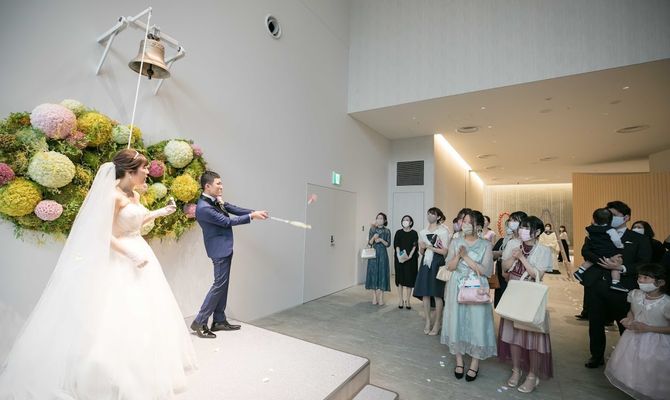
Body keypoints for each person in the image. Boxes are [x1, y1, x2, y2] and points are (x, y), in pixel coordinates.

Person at [0, 149, 197, 399]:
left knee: (145, 310)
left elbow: (133, 222)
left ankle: (142, 368)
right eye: (144, 167)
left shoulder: (135, 194)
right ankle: (104, 373)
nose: (148, 171)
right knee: (113, 312)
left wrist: (157, 213)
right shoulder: (113, 197)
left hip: (140, 252)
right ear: (129, 171)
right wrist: (130, 254)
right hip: (120, 257)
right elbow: (103, 234)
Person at [192, 171, 268, 338]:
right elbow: (226, 221)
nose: (222, 186)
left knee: (223, 285)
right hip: (218, 250)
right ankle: (199, 321)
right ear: (207, 186)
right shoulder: (204, 208)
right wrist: (251, 217)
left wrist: (254, 212)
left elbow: (232, 208)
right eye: (218, 183)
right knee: (219, 285)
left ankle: (219, 320)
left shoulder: (214, 200)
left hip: (224, 247)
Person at [581, 200, 652, 369]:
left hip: (622, 289)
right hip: (596, 285)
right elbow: (586, 251)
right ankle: (596, 356)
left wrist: (621, 268)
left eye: (614, 215)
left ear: (626, 217)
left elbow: (644, 263)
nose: (609, 217)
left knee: (625, 324)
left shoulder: (638, 239)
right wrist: (602, 261)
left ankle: (628, 358)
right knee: (595, 323)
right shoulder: (597, 232)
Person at [498, 216, 554, 394]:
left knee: (532, 337)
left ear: (537, 232)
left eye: (527, 228)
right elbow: (505, 269)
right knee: (513, 335)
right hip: (513, 292)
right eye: (522, 227)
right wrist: (513, 257)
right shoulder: (514, 244)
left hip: (531, 296)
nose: (522, 230)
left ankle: (532, 375)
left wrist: (522, 258)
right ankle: (516, 370)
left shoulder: (544, 250)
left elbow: (537, 275)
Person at [441, 210, 496, 382]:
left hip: (477, 287)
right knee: (456, 321)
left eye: (468, 222)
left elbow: (486, 271)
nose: (464, 224)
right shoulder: (455, 241)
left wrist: (466, 257)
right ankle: (459, 361)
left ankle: (474, 363)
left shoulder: (485, 245)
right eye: (463, 221)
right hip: (456, 286)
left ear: (477, 225)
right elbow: (449, 267)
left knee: (477, 323)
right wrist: (458, 255)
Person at [605, 263, 670, 400]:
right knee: (632, 366)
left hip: (657, 343)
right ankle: (634, 389)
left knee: (650, 370)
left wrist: (648, 328)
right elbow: (632, 311)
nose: (641, 280)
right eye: (639, 277)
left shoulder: (666, 303)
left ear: (660, 282)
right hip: (633, 338)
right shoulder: (635, 294)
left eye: (646, 278)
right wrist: (630, 319)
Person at [414, 207, 450, 335]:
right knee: (425, 293)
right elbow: (421, 251)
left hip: (437, 262)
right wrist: (422, 247)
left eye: (433, 214)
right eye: (428, 213)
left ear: (438, 217)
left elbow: (445, 251)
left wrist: (430, 247)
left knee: (437, 293)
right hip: (425, 263)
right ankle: (428, 321)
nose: (430, 216)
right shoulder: (423, 232)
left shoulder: (443, 232)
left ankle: (437, 322)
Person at [573, 208, 627, 292]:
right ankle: (615, 282)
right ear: (610, 220)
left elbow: (589, 238)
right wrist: (620, 246)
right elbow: (616, 240)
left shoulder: (589, 229)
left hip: (595, 250)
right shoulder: (610, 230)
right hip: (607, 251)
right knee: (614, 265)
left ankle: (580, 271)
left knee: (590, 260)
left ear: (594, 219)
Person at [493, 211, 528, 307]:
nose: (511, 223)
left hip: (522, 278)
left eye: (515, 220)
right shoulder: (507, 241)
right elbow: (503, 265)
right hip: (506, 276)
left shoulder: (527, 241)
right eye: (510, 220)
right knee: (505, 303)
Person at [365, 212, 392, 305]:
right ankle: (374, 296)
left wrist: (381, 240)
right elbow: (369, 243)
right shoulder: (372, 229)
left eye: (381, 218)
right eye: (378, 218)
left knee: (382, 273)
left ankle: (381, 297)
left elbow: (388, 244)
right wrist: (374, 237)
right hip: (373, 254)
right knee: (373, 273)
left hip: (383, 255)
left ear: (384, 220)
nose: (379, 220)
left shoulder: (387, 231)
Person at [393, 215, 419, 309]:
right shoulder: (398, 232)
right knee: (400, 279)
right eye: (403, 220)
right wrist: (399, 255)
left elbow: (415, 245)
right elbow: (396, 244)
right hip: (400, 259)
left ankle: (408, 300)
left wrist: (410, 255)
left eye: (407, 220)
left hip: (411, 259)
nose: (405, 221)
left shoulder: (414, 233)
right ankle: (401, 300)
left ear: (411, 222)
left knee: (409, 279)